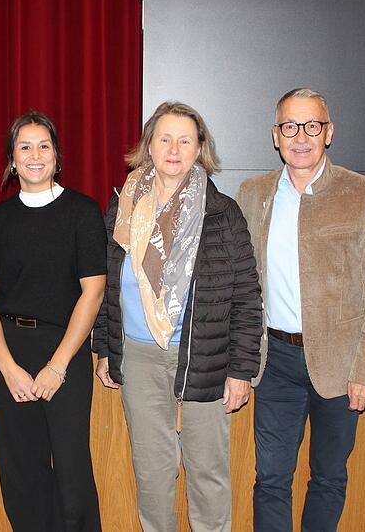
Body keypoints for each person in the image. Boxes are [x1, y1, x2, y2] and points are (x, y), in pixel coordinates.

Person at [93, 101, 263, 532]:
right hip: (140, 356)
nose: (174, 148)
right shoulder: (121, 209)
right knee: (152, 474)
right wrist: (105, 349)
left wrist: (242, 370)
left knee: (207, 474)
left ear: (199, 148)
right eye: (164, 138)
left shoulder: (222, 214)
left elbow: (246, 295)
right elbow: (106, 288)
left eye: (185, 139)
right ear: (148, 146)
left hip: (206, 358)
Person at [236, 88, 365, 532]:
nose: (300, 136)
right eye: (290, 126)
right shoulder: (253, 194)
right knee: (270, 478)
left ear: (329, 132)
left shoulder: (364, 192)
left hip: (341, 363)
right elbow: (242, 286)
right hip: (276, 362)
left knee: (328, 476)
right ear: (276, 135)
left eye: (312, 126)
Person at [0, 111, 105, 531]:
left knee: (71, 469)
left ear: (57, 156)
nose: (35, 155)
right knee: (21, 471)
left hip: (64, 352)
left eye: (43, 146)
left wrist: (57, 367)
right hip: (8, 352)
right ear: (12, 159)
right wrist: (7, 367)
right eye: (24, 147)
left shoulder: (83, 212)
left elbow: (93, 292)